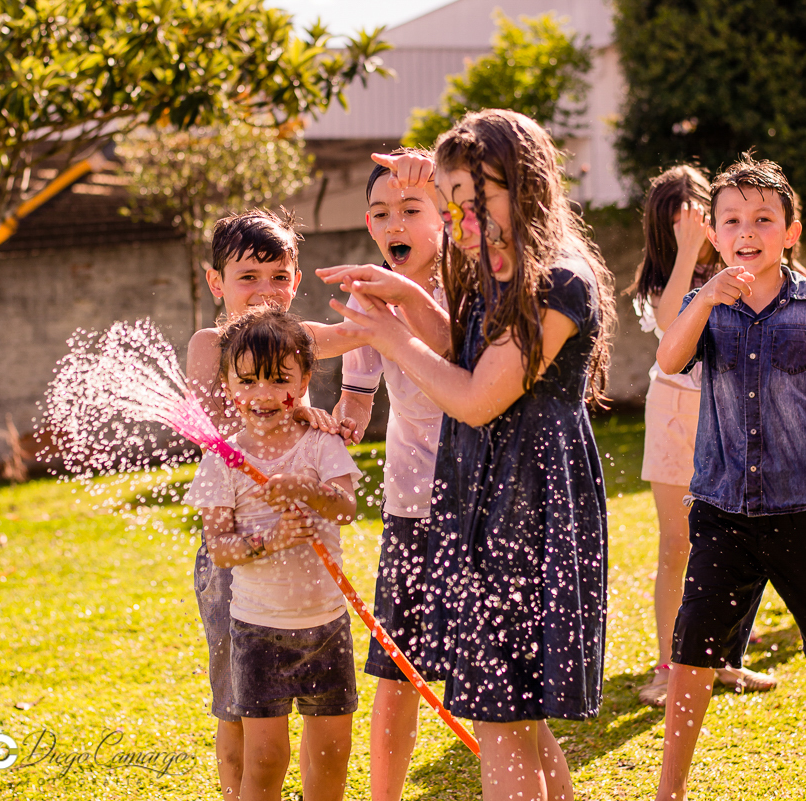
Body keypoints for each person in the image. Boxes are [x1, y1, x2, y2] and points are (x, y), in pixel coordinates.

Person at [333, 108, 615, 801]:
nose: (461, 221)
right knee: (509, 712)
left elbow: (478, 396)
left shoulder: (558, 281)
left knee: (503, 715)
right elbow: (459, 347)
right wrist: (402, 297)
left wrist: (391, 337)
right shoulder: (497, 271)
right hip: (490, 506)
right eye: (453, 204)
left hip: (530, 511)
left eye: (475, 201)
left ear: (524, 188)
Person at [654, 153, 806, 801]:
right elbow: (670, 359)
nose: (747, 229)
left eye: (764, 218)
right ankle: (670, 785)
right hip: (722, 506)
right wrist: (704, 295)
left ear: (791, 230)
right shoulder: (705, 305)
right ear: (715, 233)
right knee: (693, 647)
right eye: (732, 218)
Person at [185, 208, 359, 798]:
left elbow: (370, 335)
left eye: (278, 277)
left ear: (297, 277)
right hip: (237, 545)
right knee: (239, 702)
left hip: (304, 563)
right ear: (217, 283)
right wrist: (276, 413)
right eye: (247, 278)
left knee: (317, 709)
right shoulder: (211, 344)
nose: (265, 292)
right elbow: (209, 424)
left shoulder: (300, 339)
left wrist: (334, 409)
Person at [316, 149, 450, 801]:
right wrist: (339, 422)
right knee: (398, 670)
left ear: (447, 216)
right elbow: (360, 400)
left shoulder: (477, 281)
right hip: (411, 506)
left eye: (411, 208)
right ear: (370, 228)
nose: (394, 221)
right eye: (381, 212)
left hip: (484, 503)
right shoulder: (368, 295)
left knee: (490, 671)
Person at [629, 165, 776, 706]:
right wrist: (689, 249)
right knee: (677, 542)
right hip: (673, 412)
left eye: (698, 218)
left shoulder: (744, 265)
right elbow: (673, 325)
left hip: (731, 413)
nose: (693, 229)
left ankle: (724, 659)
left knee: (737, 541)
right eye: (680, 223)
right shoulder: (658, 282)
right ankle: (670, 665)